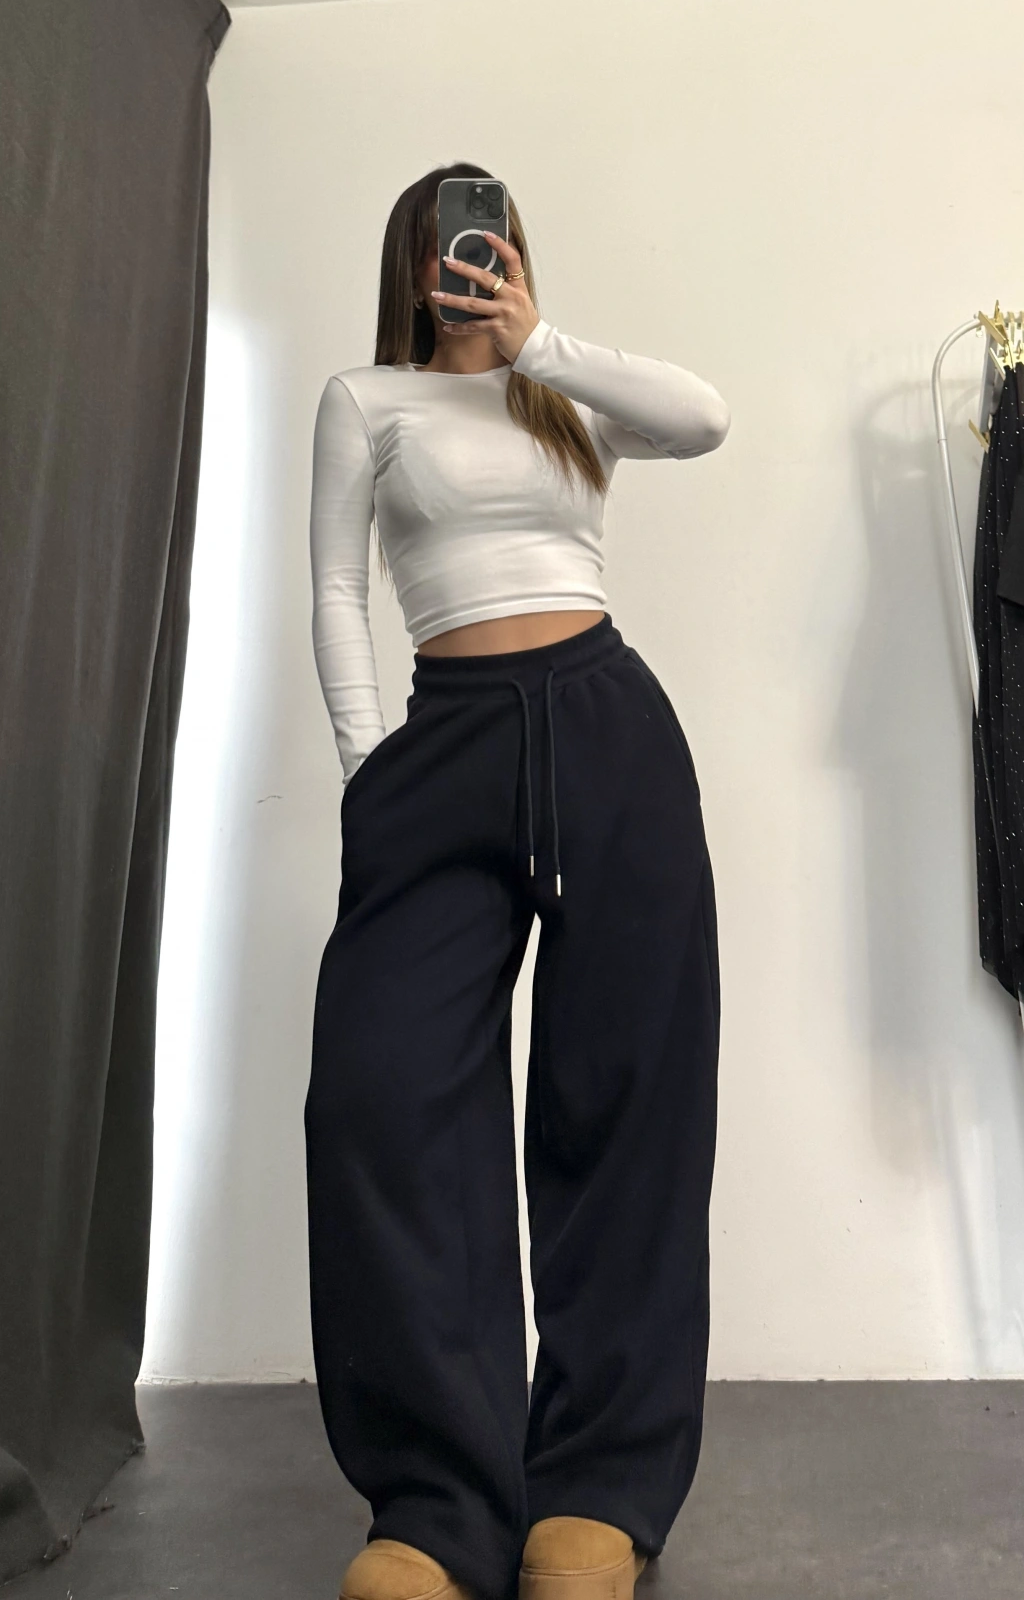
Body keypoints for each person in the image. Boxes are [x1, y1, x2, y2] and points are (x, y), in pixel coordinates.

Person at [305, 162, 730, 1600]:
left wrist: (537, 339)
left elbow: (706, 417)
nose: (465, 266)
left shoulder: (566, 394)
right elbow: (336, 587)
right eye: (444, 246)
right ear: (410, 262)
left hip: (609, 730)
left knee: (627, 1099)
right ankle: (438, 1505)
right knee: (383, 1096)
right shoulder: (367, 401)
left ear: (516, 253)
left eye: (485, 244)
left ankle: (600, 1489)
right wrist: (368, 770)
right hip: (442, 749)